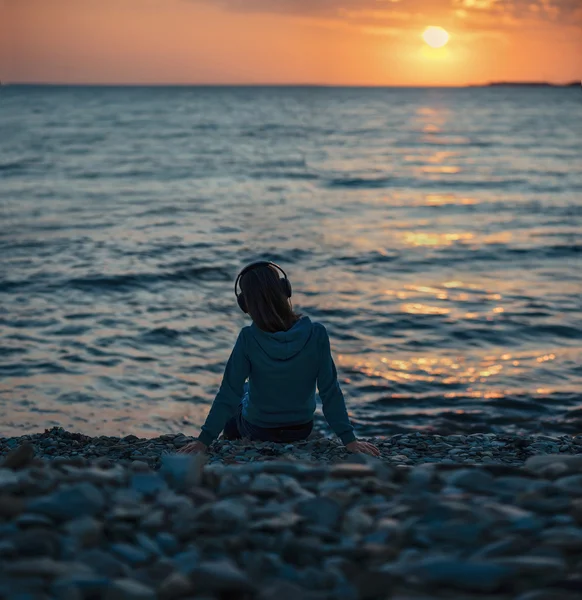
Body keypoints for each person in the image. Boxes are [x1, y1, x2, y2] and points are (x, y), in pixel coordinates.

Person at [178, 261, 379, 457]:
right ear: (285, 290)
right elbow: (330, 391)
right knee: (247, 391)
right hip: (301, 428)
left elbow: (228, 394)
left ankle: (228, 443)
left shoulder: (248, 338)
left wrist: (203, 440)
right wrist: (349, 439)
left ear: (245, 304)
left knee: (240, 394)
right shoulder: (317, 333)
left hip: (257, 429)